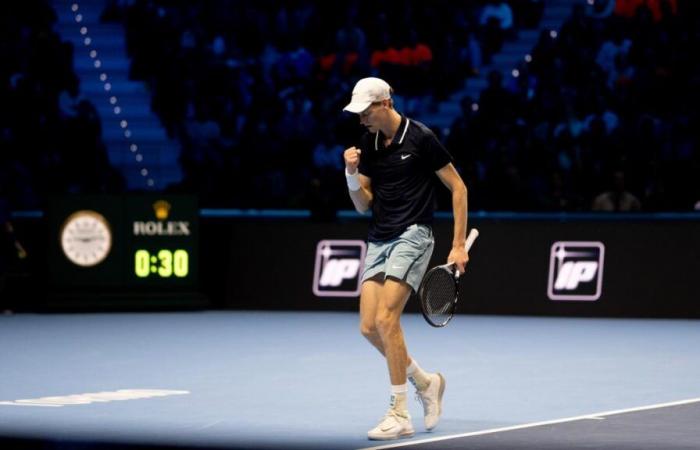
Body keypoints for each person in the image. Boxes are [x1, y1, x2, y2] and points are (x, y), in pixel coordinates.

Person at [342, 77, 470, 440]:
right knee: (368, 326)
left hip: (414, 234)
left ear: (385, 103)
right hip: (379, 238)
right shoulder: (367, 143)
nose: (361, 119)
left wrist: (458, 244)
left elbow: (458, 187)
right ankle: (426, 382)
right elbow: (362, 204)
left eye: (365, 111)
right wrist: (352, 174)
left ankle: (400, 413)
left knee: (386, 319)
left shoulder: (421, 138)